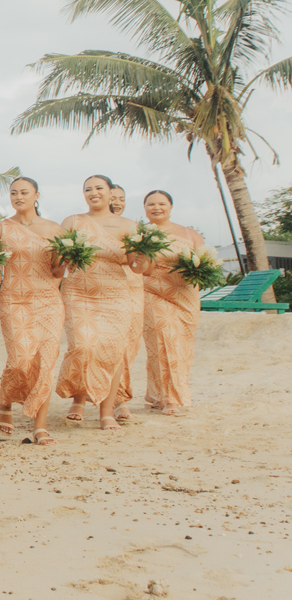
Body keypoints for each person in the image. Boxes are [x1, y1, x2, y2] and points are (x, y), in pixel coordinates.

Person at [54, 175, 147, 431]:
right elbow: (56, 258)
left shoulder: (128, 225)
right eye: (87, 189)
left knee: (113, 352)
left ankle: (107, 413)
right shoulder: (73, 222)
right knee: (83, 346)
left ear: (110, 192)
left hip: (116, 293)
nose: (93, 192)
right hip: (79, 292)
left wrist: (147, 254)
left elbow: (136, 265)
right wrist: (63, 261)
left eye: (98, 188)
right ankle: (78, 396)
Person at [0, 177, 65, 444]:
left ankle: (40, 426)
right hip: (14, 300)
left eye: (24, 192)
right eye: (14, 192)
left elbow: (57, 271)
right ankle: (6, 402)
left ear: (36, 195)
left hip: (49, 301)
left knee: (44, 363)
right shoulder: (0, 228)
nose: (18, 196)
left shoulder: (54, 229)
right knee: (20, 359)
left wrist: (68, 260)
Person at [139, 190, 205, 416]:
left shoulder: (189, 233)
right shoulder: (140, 233)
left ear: (171, 206)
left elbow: (205, 261)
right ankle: (171, 399)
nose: (157, 208)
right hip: (153, 291)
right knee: (163, 340)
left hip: (185, 296)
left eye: (162, 203)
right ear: (145, 208)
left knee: (181, 346)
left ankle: (157, 394)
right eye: (151, 204)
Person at [106, 183, 145, 422]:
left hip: (134, 288)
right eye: (113, 197)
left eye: (121, 198)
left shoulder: (133, 228)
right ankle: (93, 398)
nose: (118, 202)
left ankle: (120, 399)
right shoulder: (90, 226)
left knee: (127, 346)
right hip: (106, 288)